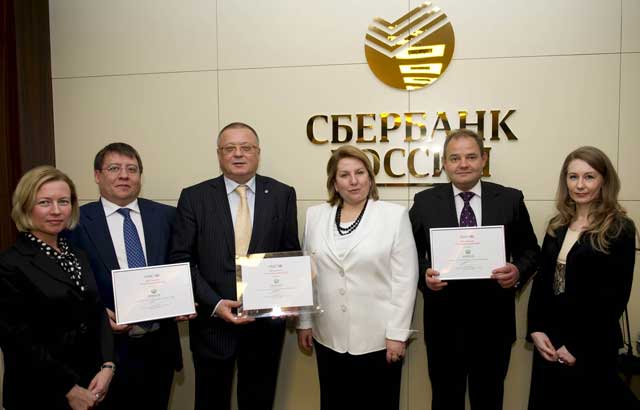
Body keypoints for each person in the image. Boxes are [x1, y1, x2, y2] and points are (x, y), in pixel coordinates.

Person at [170, 122, 300, 410]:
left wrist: (290, 297)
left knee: (259, 401)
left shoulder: (282, 194)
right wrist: (215, 303)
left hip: (265, 327)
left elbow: (289, 254)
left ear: (258, 153)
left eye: (246, 147)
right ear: (219, 154)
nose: (238, 154)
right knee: (210, 402)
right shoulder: (194, 197)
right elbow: (181, 258)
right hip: (212, 324)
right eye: (230, 148)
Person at [409, 129, 540, 410]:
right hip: (444, 326)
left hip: (494, 325)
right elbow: (408, 253)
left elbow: (531, 251)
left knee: (489, 400)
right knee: (445, 401)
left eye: (470, 157)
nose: (463, 164)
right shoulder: (424, 202)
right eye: (454, 158)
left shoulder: (510, 199)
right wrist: (424, 274)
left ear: (483, 160)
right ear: (445, 164)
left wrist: (517, 271)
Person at [296, 145, 418, 409]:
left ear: (370, 178)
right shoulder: (315, 216)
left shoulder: (393, 216)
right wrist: (304, 321)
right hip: (328, 336)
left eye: (360, 172)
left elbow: (405, 279)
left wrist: (397, 334)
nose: (353, 181)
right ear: (334, 183)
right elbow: (307, 273)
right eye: (344, 175)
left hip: (378, 340)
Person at [67, 143, 183, 409]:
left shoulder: (166, 216)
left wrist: (184, 298)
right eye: (114, 168)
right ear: (97, 175)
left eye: (132, 169)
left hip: (159, 347)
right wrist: (96, 312)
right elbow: (67, 285)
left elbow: (181, 263)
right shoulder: (75, 222)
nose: (124, 175)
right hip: (105, 352)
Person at [527, 146, 639, 409]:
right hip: (550, 341)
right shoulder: (557, 225)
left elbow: (615, 297)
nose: (580, 185)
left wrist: (577, 346)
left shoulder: (619, 228)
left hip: (591, 344)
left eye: (589, 177)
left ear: (604, 181)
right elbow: (542, 282)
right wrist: (536, 329)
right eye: (573, 177)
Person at [0, 166, 115, 410]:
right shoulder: (9, 264)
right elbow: (17, 340)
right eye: (44, 202)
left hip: (91, 382)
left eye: (63, 201)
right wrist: (69, 389)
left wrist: (107, 365)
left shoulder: (77, 254)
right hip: (40, 391)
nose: (56, 210)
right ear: (25, 206)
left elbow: (97, 312)